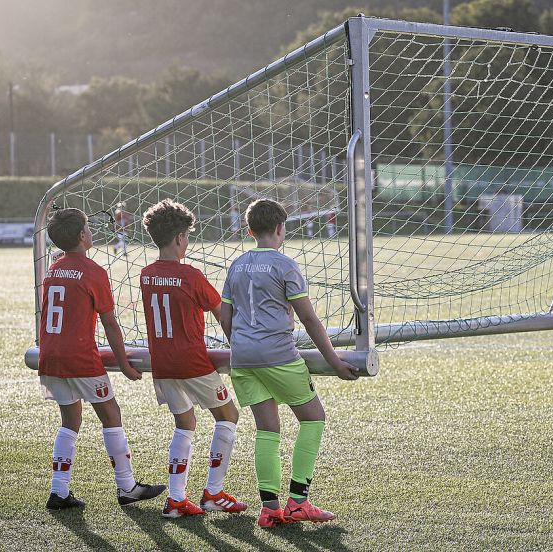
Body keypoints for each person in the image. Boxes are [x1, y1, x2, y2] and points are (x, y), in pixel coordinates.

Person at [220, 199, 360, 527]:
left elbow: (226, 316)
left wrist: (243, 345)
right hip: (278, 356)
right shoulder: (285, 265)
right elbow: (309, 319)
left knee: (267, 429)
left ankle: (269, 509)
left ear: (250, 230)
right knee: (313, 418)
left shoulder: (236, 265)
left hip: (242, 359)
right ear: (281, 229)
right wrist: (335, 361)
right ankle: (298, 501)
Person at [38, 208, 165, 510]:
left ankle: (59, 491)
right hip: (78, 356)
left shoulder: (53, 268)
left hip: (50, 355)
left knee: (70, 419)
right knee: (111, 415)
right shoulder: (93, 271)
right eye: (88, 226)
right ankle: (126, 486)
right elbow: (109, 324)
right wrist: (123, 364)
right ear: (83, 235)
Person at [140, 199, 247, 518]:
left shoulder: (146, 275)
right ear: (178, 239)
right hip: (192, 362)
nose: (188, 242)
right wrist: (239, 349)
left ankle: (175, 500)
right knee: (228, 416)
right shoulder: (191, 275)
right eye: (187, 236)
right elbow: (222, 315)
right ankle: (213, 493)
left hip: (162, 364)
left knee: (185, 424)